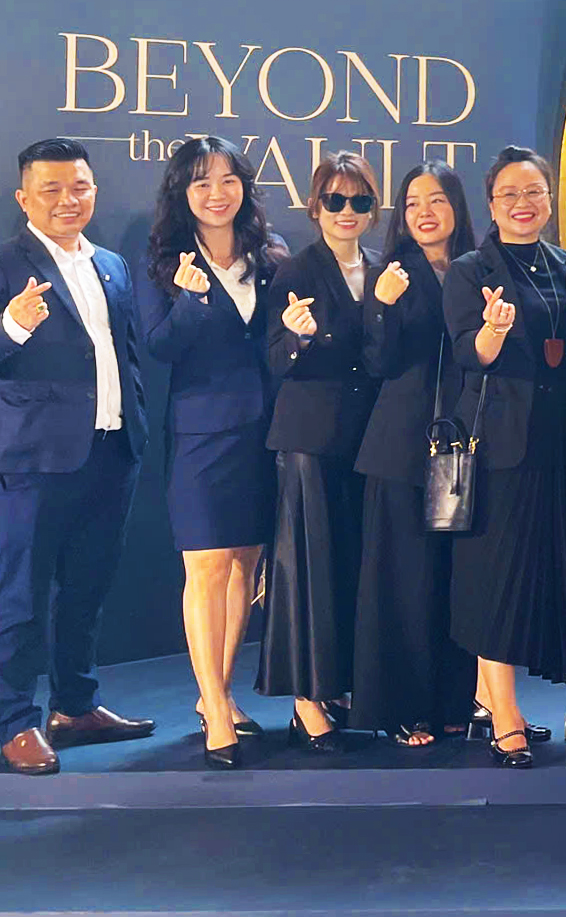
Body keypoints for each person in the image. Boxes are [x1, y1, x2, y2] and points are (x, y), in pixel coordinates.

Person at [0, 137, 153, 774]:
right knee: (21, 594)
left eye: (79, 187)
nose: (68, 200)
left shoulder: (111, 263)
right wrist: (11, 325)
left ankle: (75, 706)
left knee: (87, 588)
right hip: (30, 458)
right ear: (24, 197)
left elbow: (122, 351)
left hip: (112, 448)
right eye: (52, 189)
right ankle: (16, 722)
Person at [136, 136, 283, 768]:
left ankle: (215, 694)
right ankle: (216, 710)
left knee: (245, 563)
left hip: (265, 432)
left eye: (228, 180)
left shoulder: (270, 255)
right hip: (201, 433)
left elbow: (280, 342)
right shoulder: (162, 264)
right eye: (201, 183)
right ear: (182, 193)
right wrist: (193, 300)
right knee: (207, 567)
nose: (217, 194)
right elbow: (159, 347)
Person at [443, 146, 566, 768]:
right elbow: (468, 353)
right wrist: (492, 332)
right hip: (498, 443)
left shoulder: (565, 264)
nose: (523, 204)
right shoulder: (470, 270)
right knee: (493, 577)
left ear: (549, 199)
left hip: (559, 439)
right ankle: (504, 716)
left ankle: (487, 698)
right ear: (491, 205)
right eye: (509, 195)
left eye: (533, 192)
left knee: (535, 576)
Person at [260, 153, 398, 754]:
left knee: (353, 567)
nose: (347, 212)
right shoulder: (295, 270)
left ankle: (340, 686)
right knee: (309, 571)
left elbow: (383, 357)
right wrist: (299, 337)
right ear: (315, 207)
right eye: (335, 201)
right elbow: (275, 360)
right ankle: (306, 702)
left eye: (359, 201)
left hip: (368, 440)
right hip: (310, 441)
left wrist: (384, 308)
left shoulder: (384, 269)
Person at [351, 162, 479, 747]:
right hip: (401, 448)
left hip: (465, 447)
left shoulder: (479, 269)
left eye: (436, 200)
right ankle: (402, 707)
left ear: (457, 207)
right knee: (405, 582)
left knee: (456, 581)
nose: (424, 212)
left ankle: (455, 702)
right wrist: (380, 306)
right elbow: (376, 362)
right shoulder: (392, 274)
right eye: (412, 203)